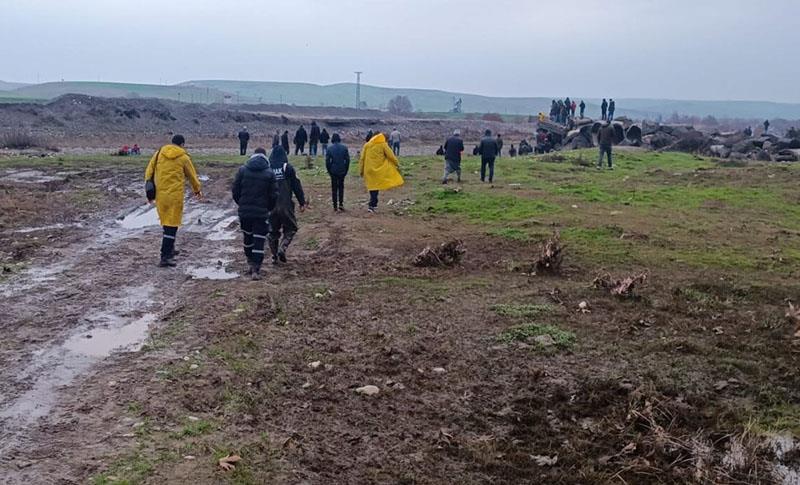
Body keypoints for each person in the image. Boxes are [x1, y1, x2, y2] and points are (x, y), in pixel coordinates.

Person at [144, 134, 202, 267]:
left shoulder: (158, 153)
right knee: (172, 227)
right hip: (175, 197)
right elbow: (192, 176)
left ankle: (170, 250)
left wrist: (150, 189)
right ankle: (165, 257)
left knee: (166, 223)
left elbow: (148, 172)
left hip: (161, 196)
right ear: (182, 144)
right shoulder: (184, 157)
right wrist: (197, 190)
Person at [231, 147, 278, 280]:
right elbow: (274, 195)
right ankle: (256, 269)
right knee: (259, 239)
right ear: (265, 157)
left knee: (247, 236)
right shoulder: (269, 173)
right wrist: (268, 208)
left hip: (245, 212)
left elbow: (235, 190)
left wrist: (241, 204)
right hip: (261, 213)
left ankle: (250, 261)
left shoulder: (242, 170)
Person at [267, 146, 308, 264]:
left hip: (271, 206)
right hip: (286, 205)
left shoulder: (268, 169)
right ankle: (282, 248)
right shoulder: (287, 168)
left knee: (273, 231)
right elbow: (296, 186)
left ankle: (274, 256)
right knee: (291, 228)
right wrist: (302, 202)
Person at [359, 131, 403, 212]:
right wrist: (397, 164)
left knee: (372, 187)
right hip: (378, 170)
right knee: (376, 187)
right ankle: (372, 205)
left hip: (368, 170)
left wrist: (361, 170)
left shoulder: (367, 145)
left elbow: (362, 159)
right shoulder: (383, 145)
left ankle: (373, 204)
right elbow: (391, 156)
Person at [325, 133, 350, 211]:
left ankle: (335, 205)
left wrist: (329, 170)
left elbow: (327, 161)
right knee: (341, 187)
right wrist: (346, 169)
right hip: (342, 170)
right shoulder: (344, 148)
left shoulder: (329, 148)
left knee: (334, 188)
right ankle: (341, 204)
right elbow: (348, 160)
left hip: (333, 170)